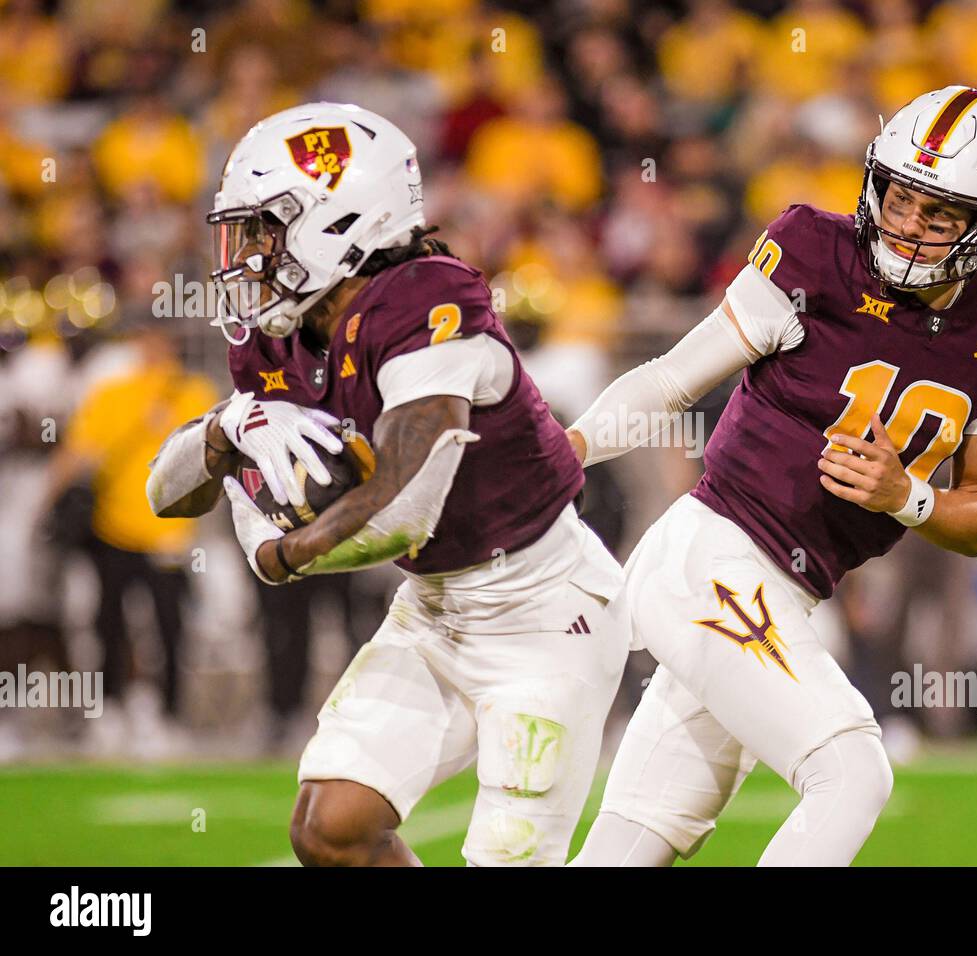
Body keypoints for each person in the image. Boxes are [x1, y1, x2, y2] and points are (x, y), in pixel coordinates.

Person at [567, 86, 977, 866]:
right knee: (851, 771)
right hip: (710, 557)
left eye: (940, 216)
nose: (909, 226)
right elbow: (668, 381)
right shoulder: (812, 253)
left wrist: (908, 497)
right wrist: (569, 450)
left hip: (786, 593)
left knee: (632, 844)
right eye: (899, 199)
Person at [146, 103, 628, 866]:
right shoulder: (281, 332)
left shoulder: (428, 300)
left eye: (268, 229)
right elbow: (164, 496)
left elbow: (405, 513)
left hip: (545, 612)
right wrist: (222, 432)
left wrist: (279, 553)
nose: (250, 253)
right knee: (328, 831)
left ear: (339, 221)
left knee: (509, 855)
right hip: (436, 609)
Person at [43, 319, 218, 757]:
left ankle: (167, 714)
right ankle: (114, 709)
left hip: (168, 532)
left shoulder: (193, 392)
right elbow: (79, 452)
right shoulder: (114, 392)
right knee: (109, 622)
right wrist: (47, 503)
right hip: (113, 526)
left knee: (168, 627)